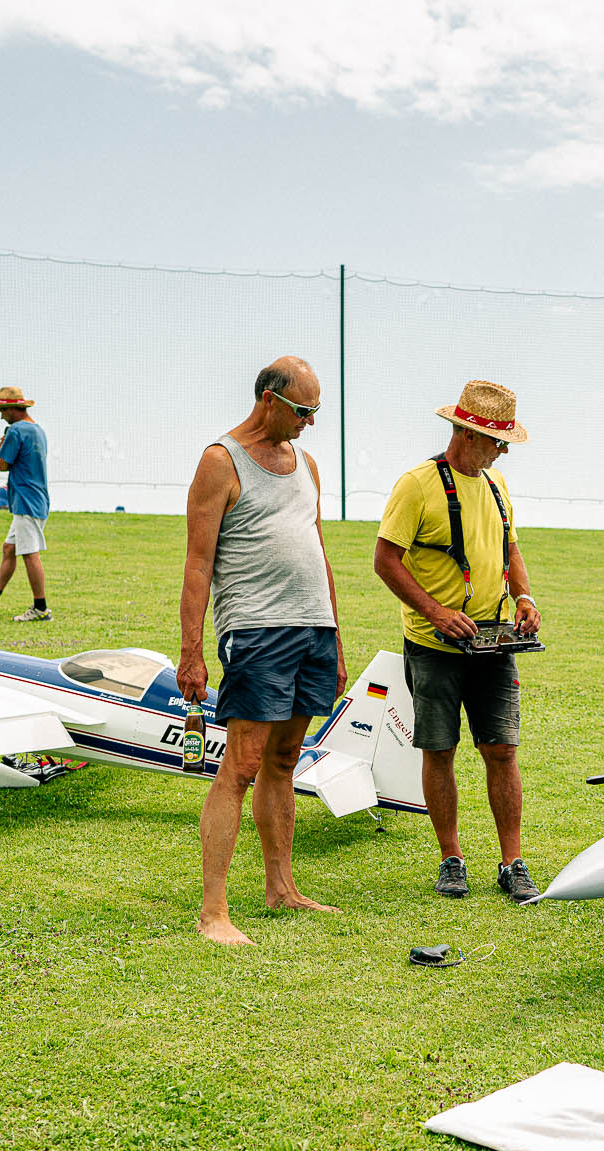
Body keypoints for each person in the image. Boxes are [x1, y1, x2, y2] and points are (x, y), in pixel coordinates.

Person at [177, 356, 345, 947]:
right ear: (269, 399)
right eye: (303, 411)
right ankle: (214, 914)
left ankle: (282, 889)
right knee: (242, 766)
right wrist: (191, 652)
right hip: (255, 631)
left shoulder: (308, 464)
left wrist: (335, 633)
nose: (310, 423)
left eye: (317, 412)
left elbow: (317, 547)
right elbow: (199, 563)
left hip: (312, 630)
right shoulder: (220, 460)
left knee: (283, 762)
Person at [374, 379, 542, 903]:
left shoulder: (496, 486)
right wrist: (436, 612)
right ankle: (451, 858)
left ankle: (512, 862)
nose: (503, 452)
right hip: (433, 645)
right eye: (498, 442)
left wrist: (525, 600)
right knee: (439, 751)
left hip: (493, 644)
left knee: (502, 750)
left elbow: (510, 549)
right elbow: (385, 560)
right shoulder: (416, 484)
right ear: (468, 434)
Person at [0, 386, 54, 622]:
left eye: (3, 410)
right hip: (36, 498)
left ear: (14, 409)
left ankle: (41, 608)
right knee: (10, 548)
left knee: (29, 553)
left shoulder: (16, 431)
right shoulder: (38, 430)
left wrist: (3, 446)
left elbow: (3, 465)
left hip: (26, 500)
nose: (1, 415)